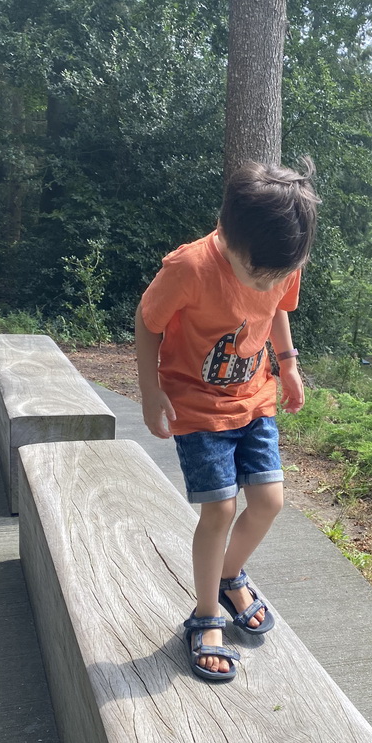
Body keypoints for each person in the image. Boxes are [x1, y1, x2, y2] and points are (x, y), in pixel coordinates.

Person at [134, 159, 319, 682]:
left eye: (279, 274)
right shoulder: (190, 269)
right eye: (258, 274)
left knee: (269, 500)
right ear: (228, 235)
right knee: (218, 509)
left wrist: (288, 366)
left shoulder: (279, 259)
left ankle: (228, 574)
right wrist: (150, 392)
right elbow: (148, 324)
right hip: (195, 405)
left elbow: (277, 308)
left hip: (253, 396)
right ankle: (206, 613)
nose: (270, 282)